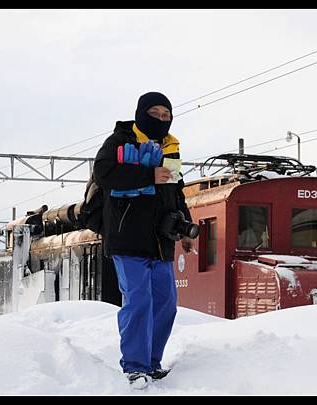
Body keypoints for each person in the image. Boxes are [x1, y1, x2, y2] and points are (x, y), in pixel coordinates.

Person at [93, 91, 195, 389]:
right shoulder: (120, 141)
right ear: (141, 113)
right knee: (139, 300)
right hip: (127, 237)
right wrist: (147, 176)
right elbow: (104, 173)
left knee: (166, 303)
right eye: (155, 114)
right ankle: (135, 366)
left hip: (161, 239)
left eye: (166, 115)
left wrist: (184, 226)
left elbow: (175, 191)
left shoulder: (170, 148)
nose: (162, 120)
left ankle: (152, 361)